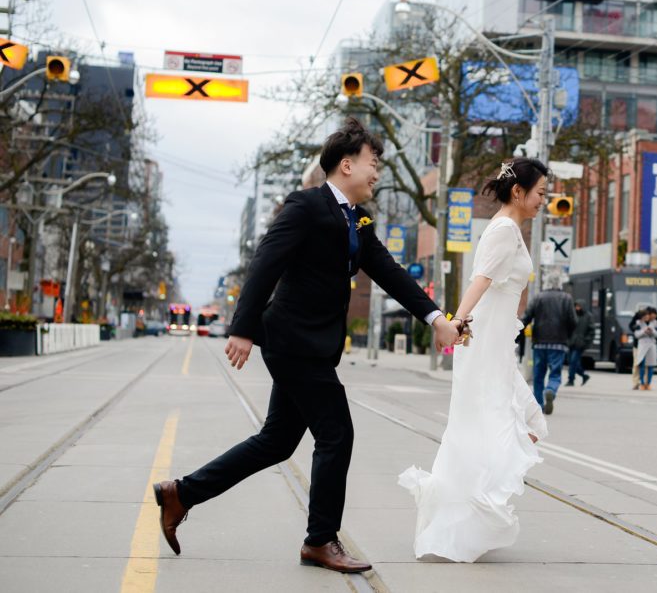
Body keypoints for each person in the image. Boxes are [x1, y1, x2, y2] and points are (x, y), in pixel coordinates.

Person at [152, 118, 461, 574]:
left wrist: (437, 317)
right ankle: (320, 541)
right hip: (293, 342)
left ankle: (183, 492)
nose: (378, 174)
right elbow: (265, 262)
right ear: (346, 164)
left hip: (312, 345)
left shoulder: (357, 219)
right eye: (374, 164)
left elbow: (389, 271)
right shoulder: (305, 205)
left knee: (276, 441)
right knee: (336, 434)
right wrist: (242, 327)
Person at [398, 158, 550, 563]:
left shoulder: (509, 229)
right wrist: (455, 322)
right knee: (510, 427)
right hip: (486, 349)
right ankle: (469, 513)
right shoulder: (503, 230)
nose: (543, 202)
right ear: (518, 192)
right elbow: (479, 280)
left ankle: (472, 512)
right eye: (539, 194)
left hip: (497, 347)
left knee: (507, 428)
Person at [520, 277, 577, 414]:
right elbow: (573, 320)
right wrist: (567, 336)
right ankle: (551, 389)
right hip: (559, 343)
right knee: (555, 372)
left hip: (539, 342)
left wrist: (520, 331)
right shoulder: (567, 298)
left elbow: (527, 317)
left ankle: (538, 405)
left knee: (538, 375)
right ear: (559, 285)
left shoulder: (538, 297)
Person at [628, 306, 657, 390]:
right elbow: (633, 328)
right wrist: (642, 330)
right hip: (639, 345)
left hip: (650, 345)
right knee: (637, 364)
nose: (653, 317)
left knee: (649, 365)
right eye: (652, 316)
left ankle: (647, 383)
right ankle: (637, 383)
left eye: (655, 316)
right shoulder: (638, 319)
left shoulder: (655, 320)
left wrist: (653, 331)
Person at [566, 300, 594, 386]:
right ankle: (584, 375)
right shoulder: (573, 315)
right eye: (576, 306)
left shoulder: (588, 316)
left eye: (578, 306)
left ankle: (571, 380)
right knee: (571, 361)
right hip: (571, 342)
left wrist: (585, 341)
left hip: (580, 343)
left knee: (573, 361)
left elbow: (592, 330)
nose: (577, 308)